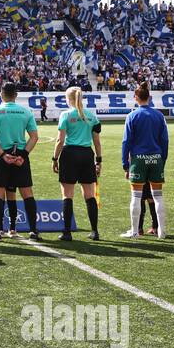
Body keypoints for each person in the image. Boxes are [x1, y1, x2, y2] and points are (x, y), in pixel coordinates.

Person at [0, 82, 41, 242]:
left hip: (2, 157)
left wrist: (2, 155)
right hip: (21, 157)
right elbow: (34, 137)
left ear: (1, 94)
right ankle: (34, 230)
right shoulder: (26, 111)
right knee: (27, 193)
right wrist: (23, 154)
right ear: (15, 95)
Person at [51, 86, 103, 241]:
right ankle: (94, 231)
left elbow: (60, 140)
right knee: (89, 195)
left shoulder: (66, 115)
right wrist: (98, 160)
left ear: (68, 99)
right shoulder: (91, 116)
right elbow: (97, 142)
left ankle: (67, 232)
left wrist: (54, 158)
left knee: (67, 195)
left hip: (69, 155)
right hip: (87, 155)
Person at [120, 82, 168, 239]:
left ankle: (134, 231)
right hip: (156, 158)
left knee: (136, 196)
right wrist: (162, 160)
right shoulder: (159, 116)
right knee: (158, 196)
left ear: (136, 98)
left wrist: (125, 164)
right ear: (150, 97)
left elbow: (126, 142)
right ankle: (161, 231)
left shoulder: (132, 116)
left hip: (138, 160)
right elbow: (164, 141)